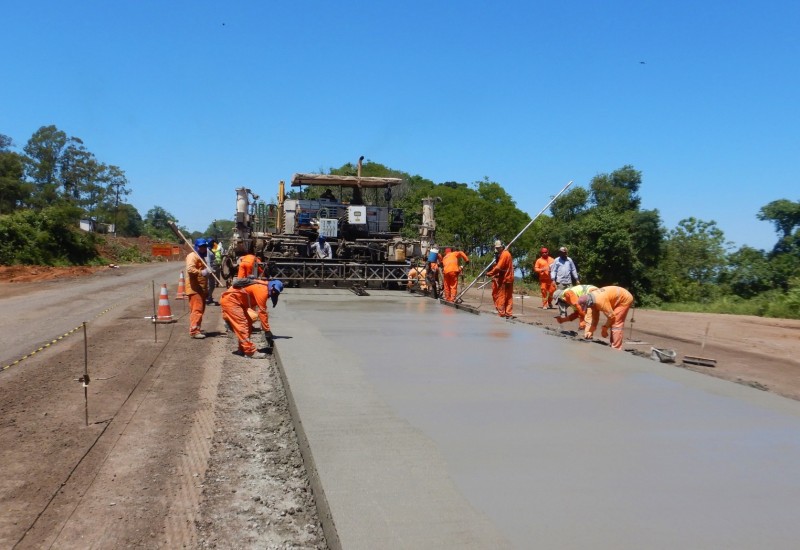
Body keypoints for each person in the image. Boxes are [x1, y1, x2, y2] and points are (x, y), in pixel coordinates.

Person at [578, 285, 634, 350]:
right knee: (612, 322)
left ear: (589, 302)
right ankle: (613, 343)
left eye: (587, 306)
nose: (588, 308)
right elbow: (595, 318)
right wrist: (590, 331)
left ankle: (616, 348)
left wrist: (605, 328)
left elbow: (611, 317)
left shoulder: (600, 301)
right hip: (615, 299)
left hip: (624, 299)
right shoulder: (592, 300)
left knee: (616, 323)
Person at [185, 238, 210, 339]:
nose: (203, 248)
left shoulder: (201, 257)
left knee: (200, 310)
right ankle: (194, 331)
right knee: (197, 310)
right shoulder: (193, 256)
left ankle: (197, 328)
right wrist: (201, 272)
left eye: (204, 246)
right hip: (194, 288)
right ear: (197, 247)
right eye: (201, 247)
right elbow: (190, 269)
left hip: (201, 288)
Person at [487, 240, 514, 318]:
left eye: (499, 248)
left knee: (501, 296)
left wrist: (490, 273)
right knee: (508, 296)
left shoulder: (504, 254)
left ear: (502, 246)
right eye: (497, 248)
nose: (498, 249)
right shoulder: (506, 254)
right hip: (509, 278)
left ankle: (502, 313)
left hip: (505, 279)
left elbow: (498, 267)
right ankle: (508, 313)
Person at [550, 246, 580, 316]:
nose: (563, 254)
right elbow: (553, 270)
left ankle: (576, 311)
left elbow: (573, 269)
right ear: (560, 253)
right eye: (562, 252)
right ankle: (563, 313)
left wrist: (577, 279)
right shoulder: (557, 260)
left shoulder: (569, 260)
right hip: (560, 282)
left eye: (565, 252)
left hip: (568, 282)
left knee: (571, 297)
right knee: (560, 297)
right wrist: (553, 280)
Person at [205, 238, 219, 305]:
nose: (214, 244)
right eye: (212, 243)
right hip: (209, 270)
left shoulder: (210, 250)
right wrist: (210, 269)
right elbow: (208, 261)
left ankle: (209, 298)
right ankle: (208, 299)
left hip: (212, 270)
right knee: (210, 285)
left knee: (212, 285)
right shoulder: (207, 250)